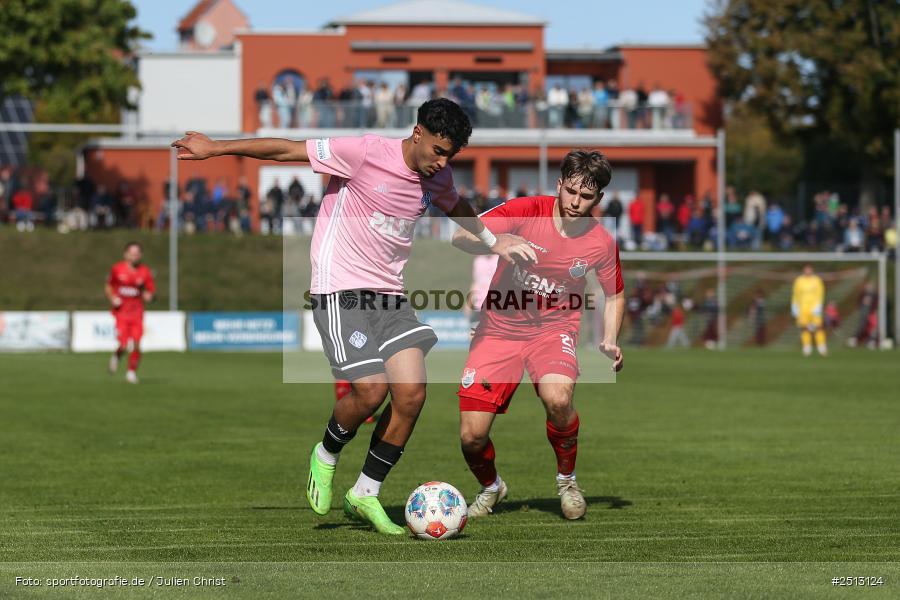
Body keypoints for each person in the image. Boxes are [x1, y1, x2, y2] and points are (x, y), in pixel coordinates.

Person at [171, 99, 532, 535]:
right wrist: (216, 148)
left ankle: (364, 492)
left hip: (389, 295)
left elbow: (454, 205)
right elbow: (287, 149)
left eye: (449, 155)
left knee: (412, 394)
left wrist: (494, 240)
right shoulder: (363, 152)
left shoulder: (438, 176)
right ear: (417, 133)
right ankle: (325, 455)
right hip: (339, 286)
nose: (442, 161)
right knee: (370, 391)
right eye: (437, 150)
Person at [449, 150, 624, 520]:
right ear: (559, 184)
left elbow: (615, 294)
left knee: (558, 399)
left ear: (599, 199)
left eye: (586, 196)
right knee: (471, 436)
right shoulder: (526, 210)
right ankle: (492, 487)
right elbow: (460, 235)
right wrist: (496, 242)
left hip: (553, 330)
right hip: (497, 329)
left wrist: (610, 337)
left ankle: (567, 481)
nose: (576, 202)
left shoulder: (601, 243)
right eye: (571, 191)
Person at [105, 242, 155, 384]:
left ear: (141, 255)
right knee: (124, 345)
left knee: (137, 344)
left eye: (137, 253)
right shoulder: (117, 269)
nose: (135, 256)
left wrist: (149, 296)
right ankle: (116, 356)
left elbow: (150, 292)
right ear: (125, 254)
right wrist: (112, 297)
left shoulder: (145, 272)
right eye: (132, 253)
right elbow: (108, 286)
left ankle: (131, 372)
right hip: (121, 313)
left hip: (137, 313)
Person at [791, 263, 827, 356]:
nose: (808, 271)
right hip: (803, 308)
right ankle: (807, 347)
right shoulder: (799, 280)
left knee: (819, 327)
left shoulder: (817, 280)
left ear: (812, 270)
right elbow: (795, 294)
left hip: (815, 308)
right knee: (804, 328)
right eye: (806, 269)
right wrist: (794, 305)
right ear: (804, 270)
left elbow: (821, 293)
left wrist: (819, 305)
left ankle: (821, 347)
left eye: (809, 269)